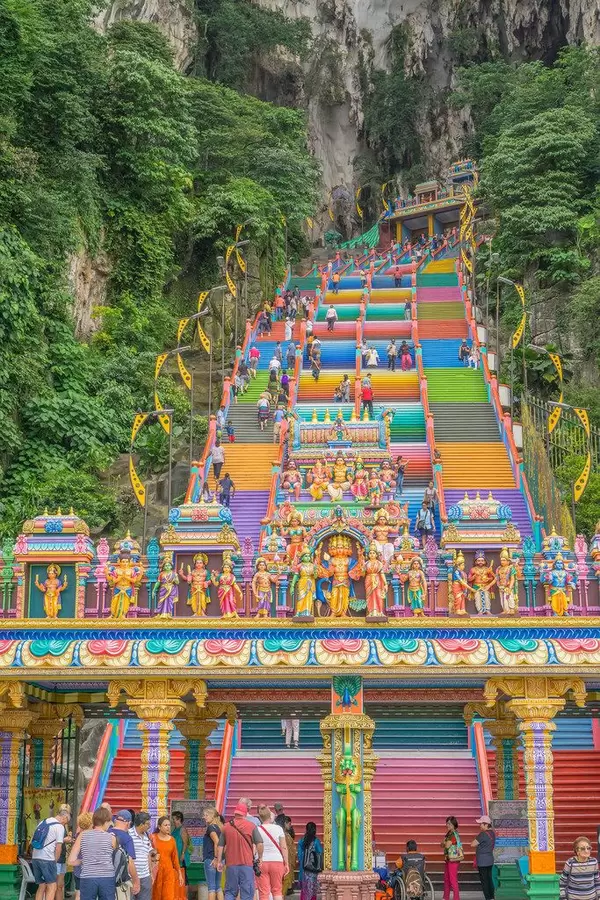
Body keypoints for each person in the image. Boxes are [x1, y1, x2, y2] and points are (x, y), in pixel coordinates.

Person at [216, 803, 264, 900]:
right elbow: (260, 844)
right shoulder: (251, 826)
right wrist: (260, 857)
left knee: (230, 892)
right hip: (246, 865)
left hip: (231, 865)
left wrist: (219, 861)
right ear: (245, 813)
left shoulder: (226, 826)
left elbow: (220, 845)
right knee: (247, 893)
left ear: (235, 813)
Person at [68, 806, 117, 900]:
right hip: (107, 877)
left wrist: (83, 861)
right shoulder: (112, 838)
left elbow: (71, 861)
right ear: (105, 822)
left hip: (88, 877)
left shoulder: (82, 835)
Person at [32, 807, 71, 900]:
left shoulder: (43, 822)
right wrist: (55, 861)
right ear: (64, 818)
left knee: (41, 886)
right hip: (47, 859)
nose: (64, 824)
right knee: (52, 886)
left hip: (35, 857)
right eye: (65, 822)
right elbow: (58, 848)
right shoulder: (59, 827)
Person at [256, 806, 289, 900]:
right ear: (270, 816)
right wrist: (286, 863)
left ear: (260, 817)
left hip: (262, 861)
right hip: (277, 861)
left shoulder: (257, 829)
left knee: (264, 892)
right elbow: (284, 847)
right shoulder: (278, 828)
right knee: (277, 890)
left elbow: (255, 847)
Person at [109, 810, 140, 898]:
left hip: (103, 878)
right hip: (119, 881)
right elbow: (130, 862)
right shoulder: (127, 838)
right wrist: (136, 881)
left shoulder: (106, 832)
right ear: (128, 823)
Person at [152, 816, 183, 900]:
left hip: (169, 872)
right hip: (156, 871)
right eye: (165, 825)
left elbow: (175, 859)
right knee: (156, 895)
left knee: (168, 896)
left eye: (169, 825)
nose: (168, 827)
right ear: (159, 827)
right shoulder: (153, 838)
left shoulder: (172, 840)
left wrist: (179, 874)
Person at [559, 836, 600, 900]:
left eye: (588, 848)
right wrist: (563, 897)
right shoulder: (570, 863)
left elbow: (597, 881)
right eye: (583, 848)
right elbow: (562, 882)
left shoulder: (594, 862)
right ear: (577, 851)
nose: (586, 851)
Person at [129, 813, 155, 900]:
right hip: (130, 877)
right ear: (141, 824)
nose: (150, 826)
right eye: (148, 823)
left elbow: (148, 854)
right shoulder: (128, 834)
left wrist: (151, 872)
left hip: (145, 877)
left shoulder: (146, 836)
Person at [471, 816, 495, 900]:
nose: (480, 825)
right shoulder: (492, 833)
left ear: (486, 824)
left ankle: (488, 898)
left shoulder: (483, 834)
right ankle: (492, 897)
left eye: (481, 824)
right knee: (489, 879)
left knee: (484, 881)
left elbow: (473, 844)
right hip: (490, 860)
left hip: (482, 862)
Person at [298, 822, 323, 900]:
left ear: (306, 829)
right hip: (312, 868)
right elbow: (320, 853)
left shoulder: (301, 841)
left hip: (304, 868)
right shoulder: (316, 841)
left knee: (304, 890)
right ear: (315, 830)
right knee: (312, 889)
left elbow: (299, 856)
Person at [72, 811, 93, 900]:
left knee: (79, 892)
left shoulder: (78, 835)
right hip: (88, 869)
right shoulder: (91, 836)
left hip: (78, 868)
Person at [203, 808, 223, 900]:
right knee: (218, 886)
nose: (204, 817)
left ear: (212, 816)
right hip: (220, 860)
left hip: (211, 859)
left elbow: (217, 842)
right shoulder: (220, 828)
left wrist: (215, 858)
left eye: (206, 815)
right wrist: (220, 859)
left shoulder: (210, 828)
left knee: (211, 887)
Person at [441, 816, 462, 900]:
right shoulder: (449, 834)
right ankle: (446, 897)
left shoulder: (453, 834)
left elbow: (445, 845)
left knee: (453, 880)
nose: (447, 825)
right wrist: (444, 843)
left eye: (449, 823)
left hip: (453, 860)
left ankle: (456, 898)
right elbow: (442, 844)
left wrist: (444, 843)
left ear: (454, 824)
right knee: (446, 879)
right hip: (448, 859)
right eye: (447, 823)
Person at [55, 805, 73, 900]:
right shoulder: (55, 825)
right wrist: (64, 839)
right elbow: (52, 840)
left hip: (62, 857)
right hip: (56, 858)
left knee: (60, 885)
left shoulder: (64, 826)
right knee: (52, 885)